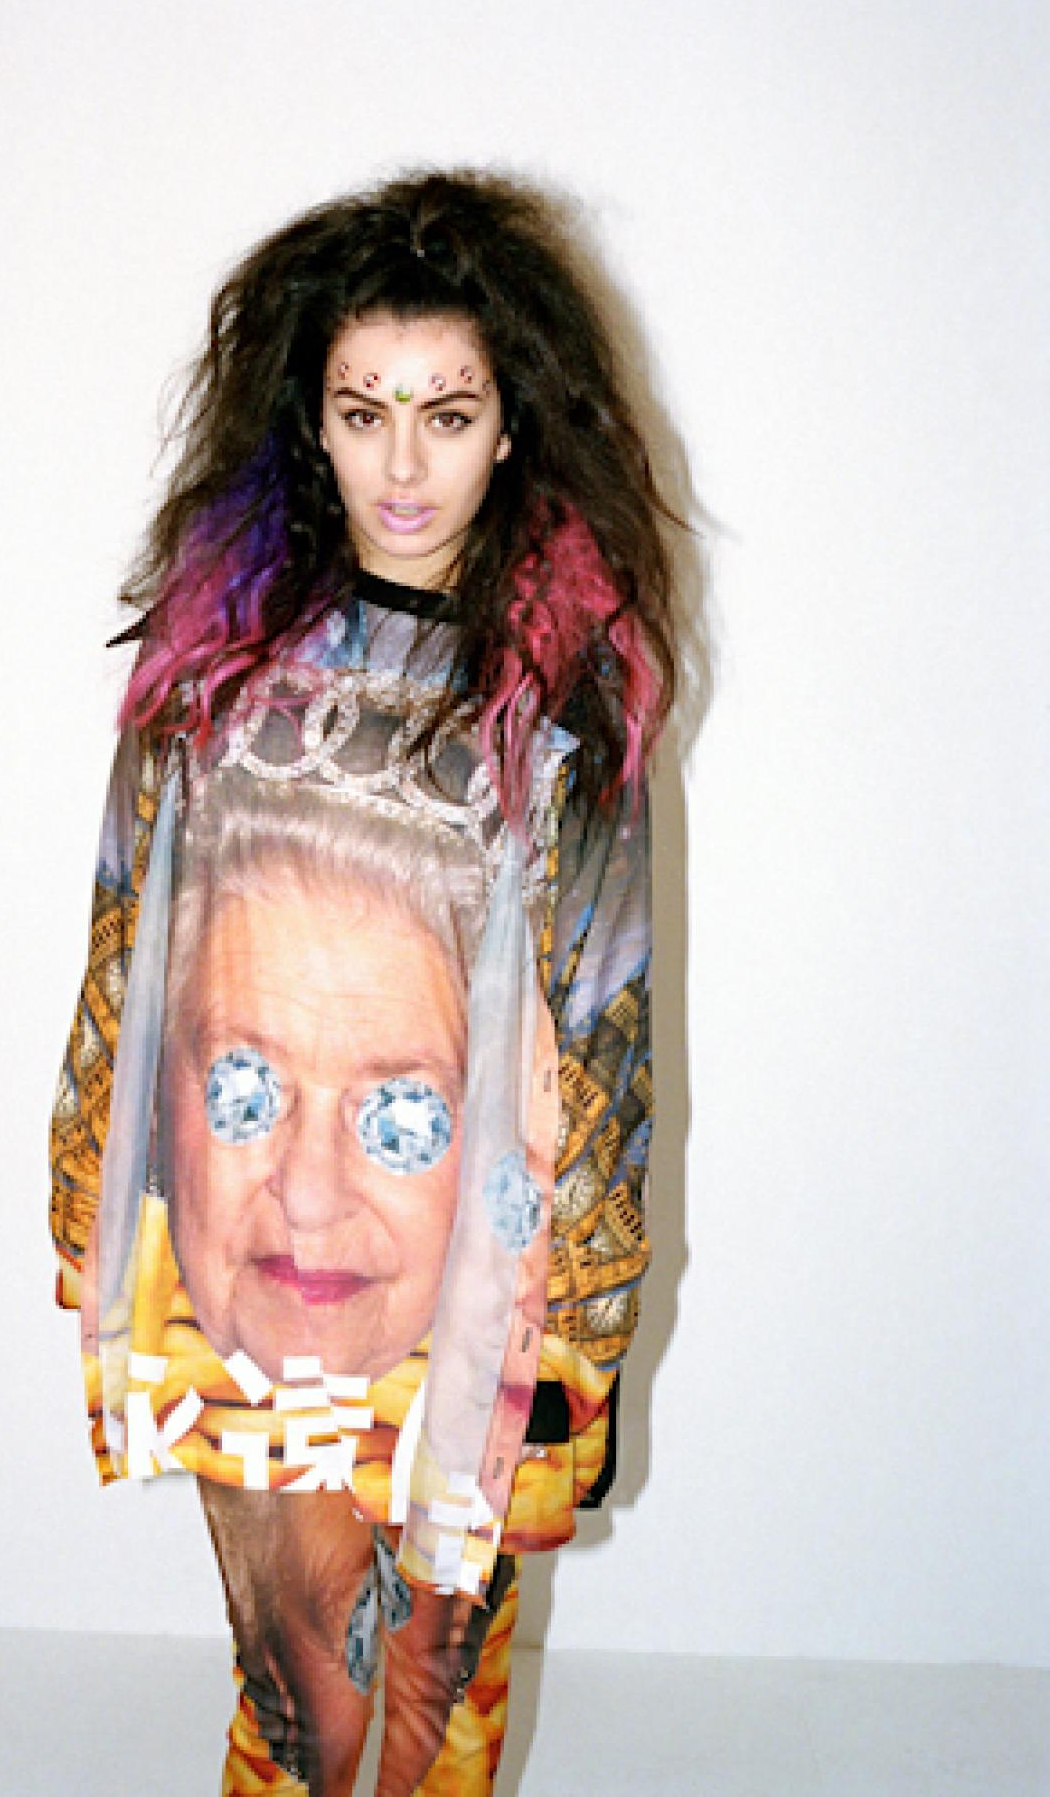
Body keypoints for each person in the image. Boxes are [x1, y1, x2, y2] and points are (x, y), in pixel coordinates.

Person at [49, 167, 679, 1795]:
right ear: (309, 423)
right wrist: (88, 1202)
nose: (404, 466)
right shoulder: (212, 664)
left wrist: (589, 1333)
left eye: (447, 415)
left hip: (477, 1280)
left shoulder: (563, 700)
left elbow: (603, 1026)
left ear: (512, 427)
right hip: (255, 1257)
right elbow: (126, 933)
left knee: (433, 1704)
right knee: (297, 1695)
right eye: (363, 412)